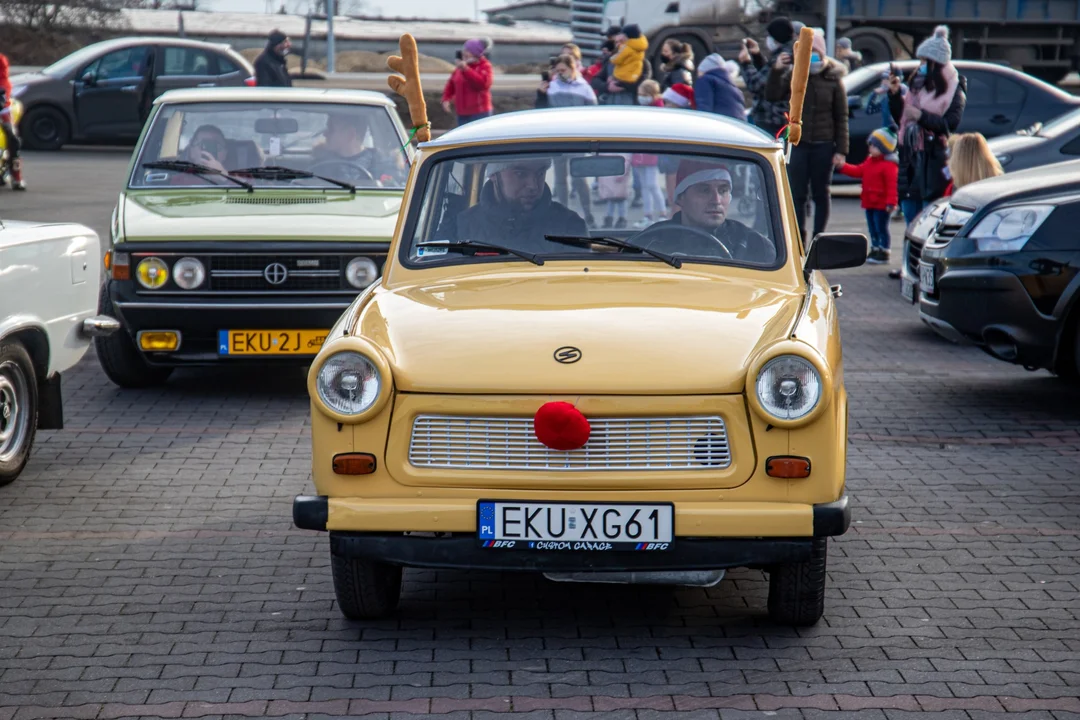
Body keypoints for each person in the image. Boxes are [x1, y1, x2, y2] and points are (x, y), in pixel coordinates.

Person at [766, 29, 849, 241]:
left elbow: (841, 117)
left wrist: (841, 150)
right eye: (807, 53)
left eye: (815, 53)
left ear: (822, 54)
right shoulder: (794, 76)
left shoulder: (833, 79)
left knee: (821, 193)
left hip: (823, 144)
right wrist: (777, 71)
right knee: (798, 194)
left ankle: (818, 237)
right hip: (798, 143)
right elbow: (772, 95)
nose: (811, 57)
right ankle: (799, 238)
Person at [889, 25, 967, 224]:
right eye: (921, 60)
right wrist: (896, 95)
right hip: (909, 158)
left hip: (932, 160)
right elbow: (902, 117)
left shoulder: (954, 90)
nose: (921, 65)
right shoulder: (917, 85)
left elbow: (950, 124)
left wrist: (921, 116)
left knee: (928, 221)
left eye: (925, 61)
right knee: (910, 219)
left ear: (937, 64)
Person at [642, 160, 776, 264]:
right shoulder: (651, 242)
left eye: (723, 190)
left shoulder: (754, 244)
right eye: (704, 190)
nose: (716, 200)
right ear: (681, 198)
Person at [455, 158, 588, 250]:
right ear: (494, 175)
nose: (533, 185)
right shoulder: (461, 226)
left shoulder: (570, 226)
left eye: (540, 173)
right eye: (520, 174)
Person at [835, 127, 899, 264]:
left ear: (884, 148)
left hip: (881, 204)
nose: (870, 148)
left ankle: (884, 250)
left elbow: (892, 187)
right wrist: (843, 166)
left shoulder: (889, 166)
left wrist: (891, 203)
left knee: (881, 227)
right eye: (870, 145)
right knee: (872, 227)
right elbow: (858, 171)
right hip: (869, 202)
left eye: (874, 145)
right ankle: (875, 247)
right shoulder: (870, 161)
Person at [739, 17, 795, 137]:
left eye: (769, 36)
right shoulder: (787, 53)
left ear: (776, 38)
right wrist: (757, 56)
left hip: (772, 120)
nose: (767, 40)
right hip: (778, 119)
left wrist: (746, 63)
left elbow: (755, 84)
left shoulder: (783, 58)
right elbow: (770, 79)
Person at [442, 39, 494, 127]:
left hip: (480, 113)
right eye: (464, 50)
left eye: (468, 51)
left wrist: (466, 70)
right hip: (462, 113)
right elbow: (451, 83)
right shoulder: (460, 67)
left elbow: (482, 84)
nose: (464, 53)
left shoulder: (485, 66)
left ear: (475, 53)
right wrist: (446, 98)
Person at [694, 53, 746, 119]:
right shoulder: (733, 87)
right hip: (738, 126)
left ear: (703, 70)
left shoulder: (705, 80)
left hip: (720, 125)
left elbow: (704, 109)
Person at [0, 51, 25, 191]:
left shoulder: (0, 60)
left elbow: (3, 82)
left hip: (1, 108)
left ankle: (17, 177)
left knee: (13, 138)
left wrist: (2, 96)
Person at [631, 153, 666, 227]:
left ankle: (663, 214)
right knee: (644, 187)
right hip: (639, 156)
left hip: (650, 154)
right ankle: (648, 216)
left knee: (652, 185)